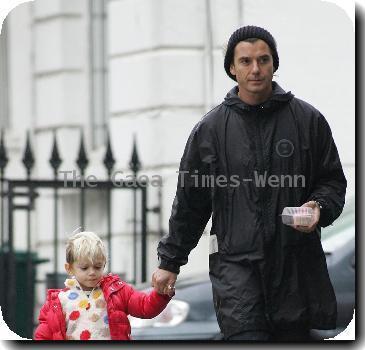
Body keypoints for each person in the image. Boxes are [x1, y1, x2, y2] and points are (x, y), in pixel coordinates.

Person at [152, 25, 347, 341]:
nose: (255, 69)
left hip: (294, 272)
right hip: (237, 272)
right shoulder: (210, 131)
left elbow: (332, 183)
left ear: (274, 64)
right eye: (245, 61)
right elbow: (190, 204)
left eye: (263, 60)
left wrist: (319, 208)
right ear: (232, 68)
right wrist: (170, 262)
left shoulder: (308, 121)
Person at [34, 231, 172, 340]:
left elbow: (145, 307)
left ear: (104, 264)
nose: (92, 272)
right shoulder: (58, 301)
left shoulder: (118, 291)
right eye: (84, 268)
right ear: (69, 268)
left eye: (98, 267)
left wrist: (160, 293)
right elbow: (44, 335)